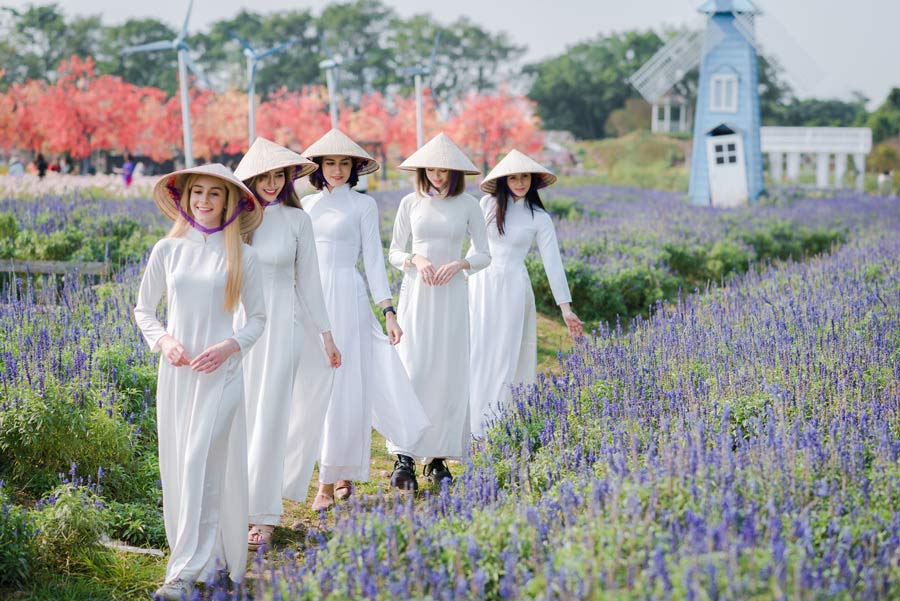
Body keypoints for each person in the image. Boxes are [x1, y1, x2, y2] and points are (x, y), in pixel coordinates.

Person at [133, 163, 265, 600]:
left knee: (198, 463)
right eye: (197, 193)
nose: (204, 201)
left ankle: (182, 574)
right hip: (177, 375)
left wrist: (230, 346)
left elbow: (259, 318)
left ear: (229, 202)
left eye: (214, 194)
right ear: (185, 198)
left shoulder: (244, 256)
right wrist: (164, 340)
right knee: (179, 469)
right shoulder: (167, 250)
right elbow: (144, 310)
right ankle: (209, 560)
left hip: (222, 375)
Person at [300, 128, 429, 506]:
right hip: (312, 298)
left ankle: (339, 476)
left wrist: (387, 310)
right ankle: (323, 473)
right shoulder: (305, 206)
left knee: (348, 386)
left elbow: (373, 260)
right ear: (318, 166)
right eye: (330, 163)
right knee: (317, 386)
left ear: (354, 168)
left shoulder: (363, 206)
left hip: (349, 295)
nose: (337, 170)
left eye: (344, 163)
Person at [233, 137, 341, 547]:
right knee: (244, 415)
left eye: (280, 174)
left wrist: (326, 334)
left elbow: (310, 282)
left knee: (274, 414)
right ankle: (235, 504)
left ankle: (264, 514)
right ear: (252, 178)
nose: (274, 182)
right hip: (243, 327)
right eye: (266, 175)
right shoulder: (238, 222)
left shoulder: (299, 221)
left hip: (286, 325)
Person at [386, 132, 491, 490]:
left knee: (446, 371)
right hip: (417, 294)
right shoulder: (409, 203)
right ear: (423, 169)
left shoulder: (468, 205)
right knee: (413, 367)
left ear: (455, 171)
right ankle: (404, 455)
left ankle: (438, 457)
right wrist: (414, 258)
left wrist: (461, 263)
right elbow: (394, 252)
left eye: (444, 169)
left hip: (452, 297)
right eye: (431, 168)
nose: (438, 174)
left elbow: (484, 253)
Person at [467, 150, 584, 438]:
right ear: (504, 180)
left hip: (513, 287)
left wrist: (565, 309)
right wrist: (458, 277)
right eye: (514, 177)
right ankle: (470, 424)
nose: (519, 182)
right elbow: (474, 249)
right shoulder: (487, 204)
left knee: (506, 353)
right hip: (481, 283)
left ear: (533, 180)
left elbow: (553, 264)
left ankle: (495, 426)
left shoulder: (539, 218)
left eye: (525, 177)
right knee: (478, 349)